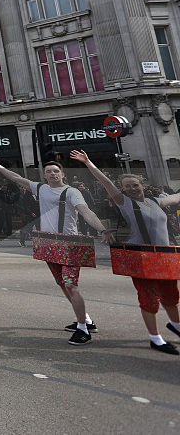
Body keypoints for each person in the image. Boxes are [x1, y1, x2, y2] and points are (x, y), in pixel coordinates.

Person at [0, 155, 111, 345]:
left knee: (71, 285)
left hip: (69, 243)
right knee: (62, 283)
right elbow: (17, 179)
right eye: (48, 172)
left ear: (62, 174)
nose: (52, 174)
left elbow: (85, 211)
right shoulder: (41, 188)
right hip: (49, 243)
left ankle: (84, 330)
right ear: (44, 176)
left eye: (55, 171)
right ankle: (86, 320)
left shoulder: (71, 192)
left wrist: (102, 229)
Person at [72, 150, 180, 354]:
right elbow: (105, 182)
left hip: (164, 256)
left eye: (135, 185)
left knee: (171, 296)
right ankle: (155, 339)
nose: (132, 188)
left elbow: (175, 197)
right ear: (122, 190)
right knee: (148, 298)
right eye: (126, 186)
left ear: (142, 186)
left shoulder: (156, 202)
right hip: (140, 256)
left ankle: (176, 325)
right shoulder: (124, 202)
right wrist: (88, 162)